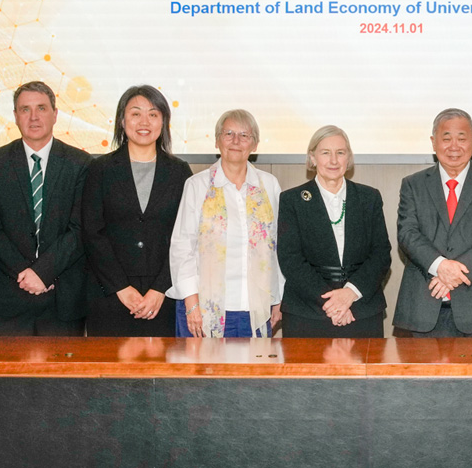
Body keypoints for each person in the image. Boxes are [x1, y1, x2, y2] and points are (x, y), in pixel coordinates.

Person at [0, 81, 92, 336]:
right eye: (25, 109)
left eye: (41, 108)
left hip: (62, 300)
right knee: (6, 376)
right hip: (7, 297)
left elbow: (80, 228)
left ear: (55, 114)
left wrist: (44, 273)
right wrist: (26, 273)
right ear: (15, 116)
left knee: (61, 377)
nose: (34, 116)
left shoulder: (80, 163)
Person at [82, 86, 191, 337]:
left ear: (164, 122)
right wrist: (120, 287)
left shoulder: (179, 172)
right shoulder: (101, 169)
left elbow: (186, 236)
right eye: (135, 114)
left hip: (163, 297)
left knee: (162, 373)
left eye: (153, 114)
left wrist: (160, 289)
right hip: (109, 294)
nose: (144, 122)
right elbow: (92, 233)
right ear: (122, 121)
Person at [392, 108, 472, 337]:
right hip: (421, 311)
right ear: (433, 142)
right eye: (446, 138)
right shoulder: (413, 185)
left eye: (462, 138)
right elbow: (407, 233)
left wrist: (453, 273)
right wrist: (440, 266)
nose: (454, 146)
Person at [169, 109, 283, 338]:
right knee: (205, 374)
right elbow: (182, 247)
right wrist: (191, 304)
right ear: (217, 140)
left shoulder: (269, 186)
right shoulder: (197, 185)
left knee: (252, 374)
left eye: (244, 135)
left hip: (257, 309)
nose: (236, 141)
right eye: (228, 133)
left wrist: (279, 299)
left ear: (255, 144)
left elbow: (280, 247)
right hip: (202, 309)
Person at [276, 125, 392, 338]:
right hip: (307, 314)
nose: (334, 160)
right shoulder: (291, 200)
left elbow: (381, 255)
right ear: (312, 158)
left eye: (340, 152)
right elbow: (290, 259)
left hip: (361, 311)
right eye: (325, 153)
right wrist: (333, 303)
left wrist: (350, 294)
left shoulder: (369, 198)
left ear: (348, 158)